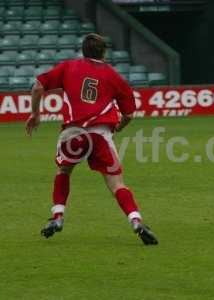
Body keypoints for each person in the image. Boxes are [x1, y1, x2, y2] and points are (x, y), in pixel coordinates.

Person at [25, 33, 158, 245]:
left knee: (64, 171)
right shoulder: (114, 76)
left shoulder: (69, 67)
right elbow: (129, 114)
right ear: (104, 52)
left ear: (83, 51)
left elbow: (38, 85)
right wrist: (117, 128)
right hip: (100, 135)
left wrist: (35, 114)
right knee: (116, 184)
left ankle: (58, 216)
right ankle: (135, 220)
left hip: (72, 133)